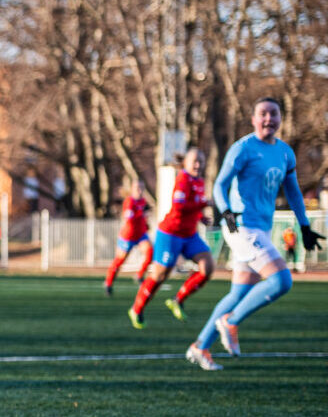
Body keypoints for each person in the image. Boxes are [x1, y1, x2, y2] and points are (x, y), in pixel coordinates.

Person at [186, 97, 324, 371]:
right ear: (253, 118)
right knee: (282, 280)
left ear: (280, 118)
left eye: (273, 114)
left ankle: (200, 346)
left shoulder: (285, 153)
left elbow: (294, 192)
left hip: (259, 227)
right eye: (263, 114)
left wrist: (305, 225)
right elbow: (220, 186)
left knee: (238, 293)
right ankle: (230, 321)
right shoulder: (243, 149)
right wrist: (226, 213)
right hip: (241, 226)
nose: (268, 119)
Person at [127, 148, 214, 329]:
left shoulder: (200, 182)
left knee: (208, 267)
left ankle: (178, 299)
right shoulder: (182, 179)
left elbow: (193, 207)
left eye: (201, 161)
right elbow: (179, 207)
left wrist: (200, 217)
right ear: (186, 163)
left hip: (189, 235)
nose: (198, 165)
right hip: (171, 233)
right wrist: (204, 204)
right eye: (195, 161)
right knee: (160, 274)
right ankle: (137, 308)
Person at [103, 179, 153, 295]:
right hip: (128, 236)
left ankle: (139, 275)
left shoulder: (143, 201)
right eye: (137, 188)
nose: (140, 190)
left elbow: (143, 217)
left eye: (141, 188)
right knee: (120, 261)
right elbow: (129, 219)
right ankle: (109, 283)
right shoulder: (129, 202)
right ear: (132, 189)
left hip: (141, 235)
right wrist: (142, 214)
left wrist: (146, 224)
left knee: (150, 252)